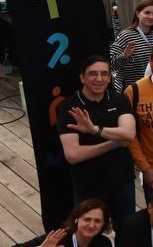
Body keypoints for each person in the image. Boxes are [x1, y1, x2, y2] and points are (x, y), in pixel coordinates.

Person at [57, 57, 137, 231]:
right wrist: (114, 143)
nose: (99, 79)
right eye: (93, 74)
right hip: (88, 184)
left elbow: (129, 134)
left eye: (104, 74)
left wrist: (94, 130)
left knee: (127, 231)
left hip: (122, 181)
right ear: (82, 77)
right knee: (89, 234)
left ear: (109, 78)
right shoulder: (68, 107)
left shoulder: (120, 100)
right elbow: (73, 155)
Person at [110, 0, 153, 92]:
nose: (151, 16)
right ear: (138, 14)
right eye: (147, 13)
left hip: (152, 88)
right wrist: (124, 57)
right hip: (130, 90)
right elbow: (110, 65)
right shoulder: (126, 35)